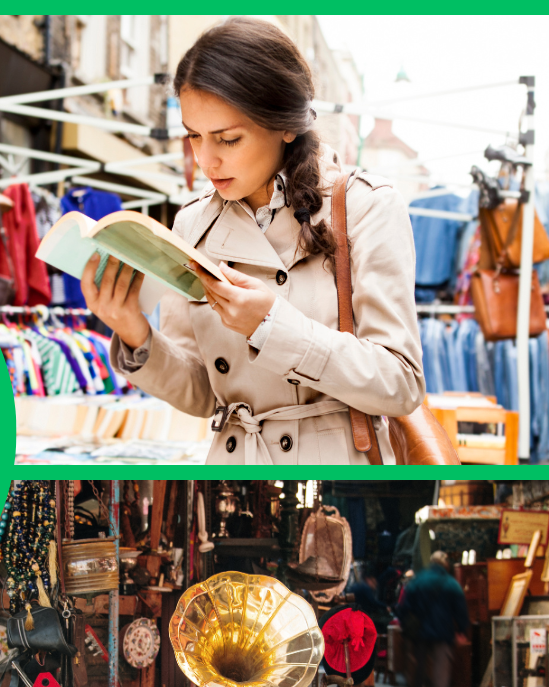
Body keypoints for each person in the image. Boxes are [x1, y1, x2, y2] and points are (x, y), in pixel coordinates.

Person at [85, 18, 422, 465]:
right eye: (194, 136)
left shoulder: (366, 207)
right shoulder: (192, 225)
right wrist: (135, 332)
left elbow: (400, 383)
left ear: (285, 125)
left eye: (228, 138)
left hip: (336, 464)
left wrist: (272, 326)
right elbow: (204, 395)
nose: (206, 160)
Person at [396, 551, 470, 687]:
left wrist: (405, 624)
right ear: (445, 565)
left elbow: (404, 606)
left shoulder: (418, 580)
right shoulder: (451, 583)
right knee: (441, 667)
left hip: (420, 631)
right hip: (443, 631)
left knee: (419, 665)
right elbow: (461, 609)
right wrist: (462, 630)